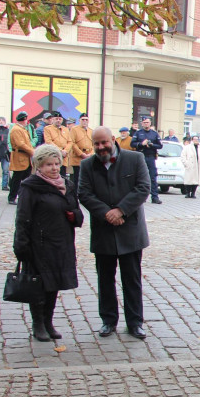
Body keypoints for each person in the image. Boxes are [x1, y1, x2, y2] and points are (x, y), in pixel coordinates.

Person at [79, 127, 152, 340]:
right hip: (103, 230)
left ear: (112, 139)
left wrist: (121, 210)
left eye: (104, 143)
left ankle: (135, 322)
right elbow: (84, 193)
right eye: (96, 144)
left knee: (132, 279)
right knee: (105, 279)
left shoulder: (135, 158)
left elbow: (143, 188)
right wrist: (106, 213)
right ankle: (108, 320)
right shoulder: (87, 165)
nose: (101, 147)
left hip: (130, 230)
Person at [13, 144, 84, 341]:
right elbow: (23, 218)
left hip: (61, 243)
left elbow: (77, 211)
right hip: (39, 244)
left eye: (56, 164)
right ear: (38, 166)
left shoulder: (67, 185)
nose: (53, 168)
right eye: (48, 165)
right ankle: (38, 324)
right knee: (39, 284)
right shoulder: (30, 186)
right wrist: (21, 245)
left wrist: (74, 216)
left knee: (54, 283)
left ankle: (48, 321)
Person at [131, 117, 163, 204]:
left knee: (152, 177)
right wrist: (141, 144)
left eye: (147, 122)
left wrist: (152, 145)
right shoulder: (138, 133)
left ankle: (155, 197)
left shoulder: (154, 134)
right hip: (141, 157)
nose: (146, 124)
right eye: (144, 122)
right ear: (142, 123)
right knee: (139, 177)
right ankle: (140, 197)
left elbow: (160, 146)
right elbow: (132, 144)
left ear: (150, 123)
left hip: (151, 157)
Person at [8, 112, 34, 204]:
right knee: (17, 179)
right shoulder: (16, 129)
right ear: (24, 120)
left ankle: (24, 196)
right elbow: (20, 144)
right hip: (20, 157)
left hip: (25, 158)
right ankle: (12, 197)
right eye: (26, 119)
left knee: (26, 179)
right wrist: (32, 152)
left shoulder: (22, 129)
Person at [67, 112, 93, 191]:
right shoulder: (74, 129)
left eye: (86, 120)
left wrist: (91, 154)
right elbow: (72, 143)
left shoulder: (91, 131)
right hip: (77, 157)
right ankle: (76, 195)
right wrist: (81, 154)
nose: (85, 121)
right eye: (83, 119)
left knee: (87, 178)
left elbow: (93, 144)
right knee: (77, 178)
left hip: (88, 157)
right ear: (79, 120)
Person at [0, 116, 11, 193]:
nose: (1, 121)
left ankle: (4, 185)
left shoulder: (8, 131)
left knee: (5, 170)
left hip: (5, 153)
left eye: (3, 120)